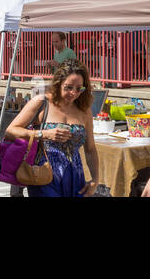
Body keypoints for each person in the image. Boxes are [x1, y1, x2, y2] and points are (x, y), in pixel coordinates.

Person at [5, 60, 99, 197]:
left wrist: (95, 180)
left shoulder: (84, 110)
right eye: (68, 87)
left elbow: (90, 149)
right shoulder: (42, 102)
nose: (73, 93)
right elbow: (10, 131)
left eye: (79, 88)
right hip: (44, 175)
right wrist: (43, 134)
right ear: (58, 83)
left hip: (75, 177)